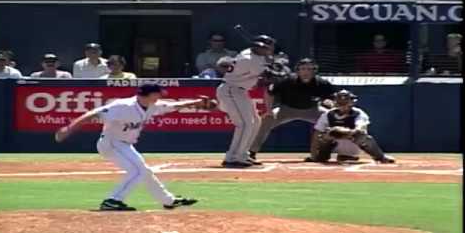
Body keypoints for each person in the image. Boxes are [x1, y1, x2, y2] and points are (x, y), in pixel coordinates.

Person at [54, 84, 216, 211]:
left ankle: (168, 201)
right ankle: (113, 200)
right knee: (137, 171)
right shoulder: (123, 105)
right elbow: (93, 114)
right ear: (150, 94)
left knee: (144, 171)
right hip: (111, 143)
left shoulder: (151, 105)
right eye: (158, 93)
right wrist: (69, 128)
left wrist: (197, 103)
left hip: (124, 144)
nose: (160, 96)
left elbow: (172, 106)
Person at [249, 58, 338, 163]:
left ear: (314, 71)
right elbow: (269, 92)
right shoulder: (288, 80)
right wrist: (268, 111)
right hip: (286, 110)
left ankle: (325, 153)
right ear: (298, 70)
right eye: (303, 69)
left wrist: (331, 103)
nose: (306, 72)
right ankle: (251, 152)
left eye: (309, 69)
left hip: (312, 110)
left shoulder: (322, 83)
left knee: (334, 121)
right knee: (265, 121)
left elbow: (334, 98)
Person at [215, 39, 286, 168]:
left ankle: (242, 154)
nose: (269, 50)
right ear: (259, 47)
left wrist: (272, 62)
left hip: (240, 91)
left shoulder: (253, 54)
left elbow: (265, 64)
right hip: (231, 90)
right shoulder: (249, 59)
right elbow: (267, 78)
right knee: (244, 124)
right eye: (267, 48)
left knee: (256, 121)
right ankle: (233, 157)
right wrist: (278, 69)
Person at [310, 90, 395, 164]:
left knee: (363, 137)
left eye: (345, 102)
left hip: (352, 142)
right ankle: (322, 156)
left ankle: (381, 157)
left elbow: (360, 128)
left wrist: (343, 132)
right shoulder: (328, 114)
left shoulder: (358, 113)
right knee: (324, 135)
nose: (343, 105)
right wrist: (314, 155)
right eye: (340, 102)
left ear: (351, 102)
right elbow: (317, 132)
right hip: (333, 144)